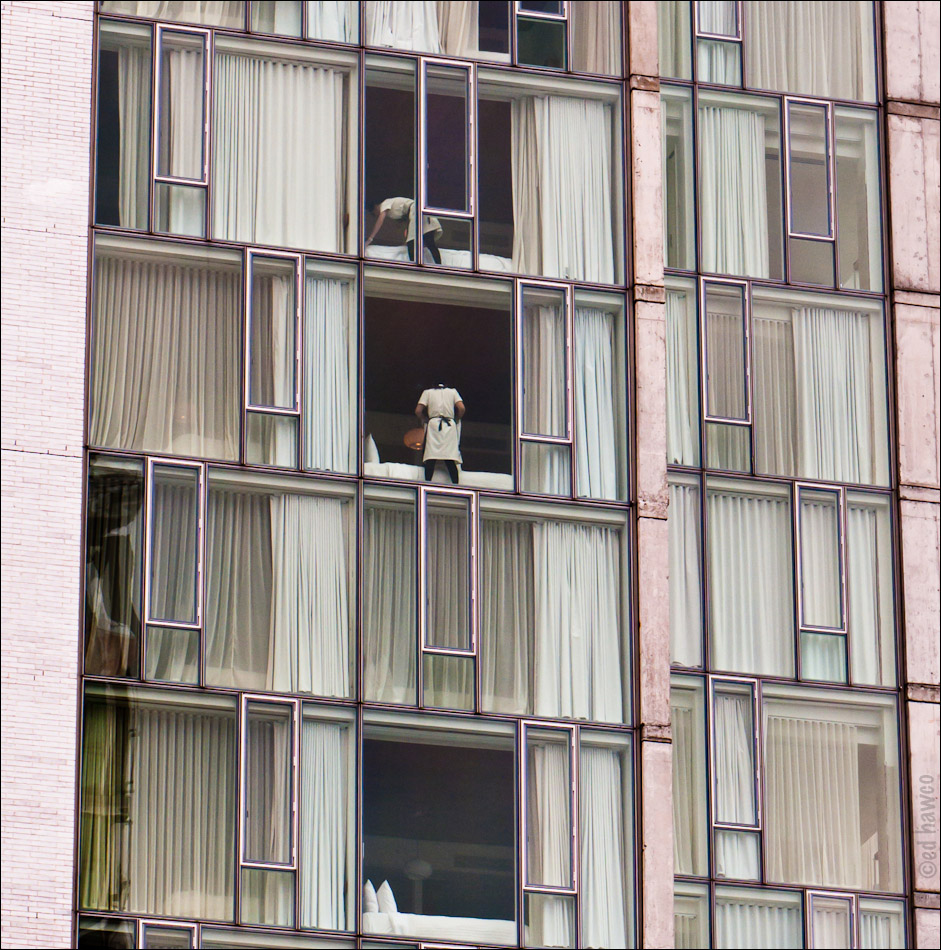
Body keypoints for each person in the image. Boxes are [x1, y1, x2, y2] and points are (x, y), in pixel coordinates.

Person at [366, 197, 443, 264]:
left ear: (375, 207)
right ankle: (439, 265)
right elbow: (407, 218)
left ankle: (416, 267)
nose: (376, 215)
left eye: (374, 213)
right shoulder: (392, 208)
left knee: (412, 244)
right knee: (429, 241)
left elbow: (380, 220)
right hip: (416, 211)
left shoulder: (384, 204)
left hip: (414, 210)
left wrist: (370, 238)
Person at [416, 384, 465, 483]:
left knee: (431, 457)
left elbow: (418, 411)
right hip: (449, 426)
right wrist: (456, 419)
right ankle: (456, 485)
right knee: (450, 458)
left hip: (434, 426)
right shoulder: (453, 392)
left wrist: (424, 419)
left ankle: (427, 484)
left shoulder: (428, 392)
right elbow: (461, 408)